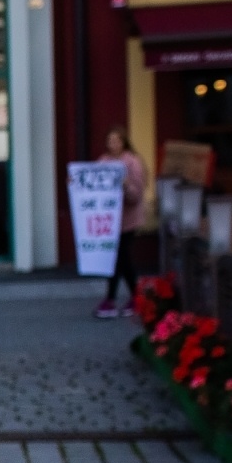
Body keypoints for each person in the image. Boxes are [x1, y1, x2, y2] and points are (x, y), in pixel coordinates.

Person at [95, 125, 149, 319]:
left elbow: (136, 195)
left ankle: (113, 298)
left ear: (124, 142)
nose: (112, 144)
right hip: (110, 222)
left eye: (116, 141)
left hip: (128, 220)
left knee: (120, 258)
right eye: (109, 141)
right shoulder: (103, 162)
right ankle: (134, 296)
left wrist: (126, 186)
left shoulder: (132, 163)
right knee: (120, 259)